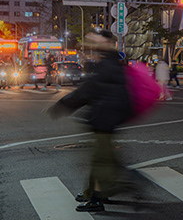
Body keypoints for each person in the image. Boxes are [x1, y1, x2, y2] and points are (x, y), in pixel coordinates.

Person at [47, 29, 133, 213]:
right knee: (102, 159)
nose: (93, 45)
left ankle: (99, 197)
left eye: (98, 41)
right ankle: (98, 193)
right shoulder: (110, 62)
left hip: (105, 120)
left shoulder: (108, 64)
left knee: (101, 162)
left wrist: (63, 104)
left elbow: (88, 90)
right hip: (106, 119)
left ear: (107, 43)